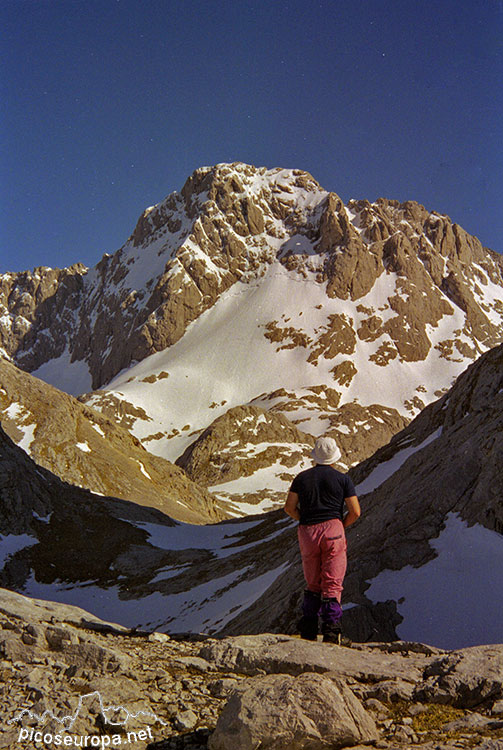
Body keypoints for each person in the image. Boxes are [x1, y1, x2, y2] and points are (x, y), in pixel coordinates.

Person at [284, 435, 361, 644]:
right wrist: (340, 525)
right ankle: (330, 633)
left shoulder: (301, 478)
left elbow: (289, 508)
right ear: (334, 456)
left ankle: (308, 631)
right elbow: (355, 511)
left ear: (315, 456)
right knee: (333, 583)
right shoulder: (343, 479)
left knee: (313, 583)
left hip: (307, 531)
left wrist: (304, 519)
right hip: (333, 530)